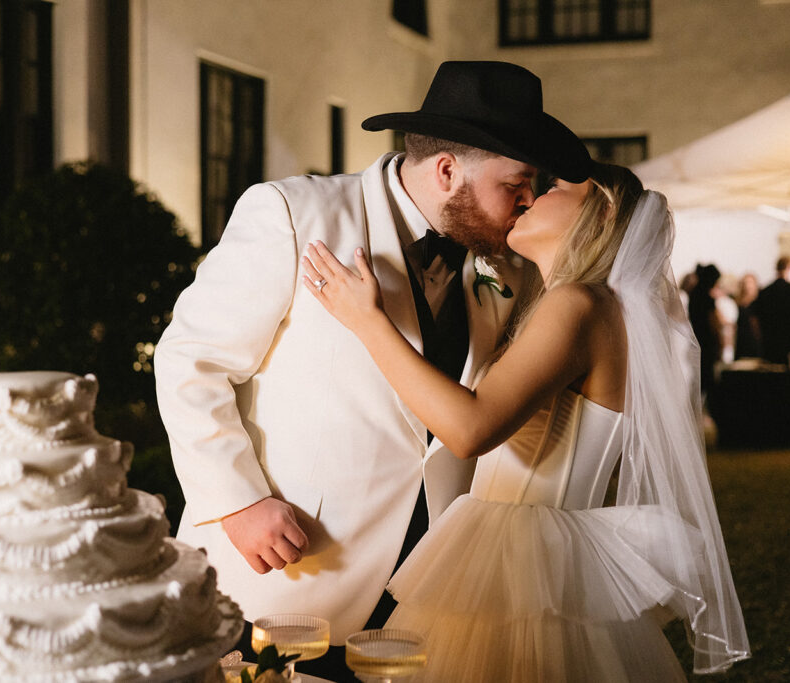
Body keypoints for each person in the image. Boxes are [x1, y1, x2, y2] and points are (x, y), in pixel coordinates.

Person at [154, 60, 591, 679]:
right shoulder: (293, 213)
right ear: (447, 171)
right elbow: (189, 361)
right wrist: (238, 502)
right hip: (292, 572)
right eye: (516, 183)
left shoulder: (509, 264)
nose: (527, 201)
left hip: (431, 591)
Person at [302, 162, 750, 681]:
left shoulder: (577, 304)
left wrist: (367, 320)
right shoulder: (598, 307)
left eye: (557, 187)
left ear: (600, 216)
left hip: (520, 556)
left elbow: (470, 429)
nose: (531, 195)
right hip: (551, 549)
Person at [752, 255, 790, 364]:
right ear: (789, 268)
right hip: (788, 346)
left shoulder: (764, 292)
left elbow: (754, 320)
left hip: (767, 347)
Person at [687, 264, 726, 402]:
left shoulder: (694, 294)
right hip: (707, 342)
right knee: (708, 378)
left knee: (700, 377)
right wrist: (720, 341)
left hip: (697, 338)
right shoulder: (706, 297)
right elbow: (714, 323)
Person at [734, 272, 762, 359]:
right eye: (745, 283)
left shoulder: (759, 303)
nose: (748, 286)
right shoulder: (737, 303)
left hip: (754, 341)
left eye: (750, 283)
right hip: (740, 340)